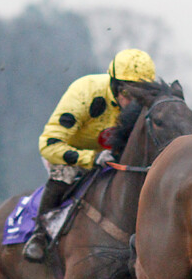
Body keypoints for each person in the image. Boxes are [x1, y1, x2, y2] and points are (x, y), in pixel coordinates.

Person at [23, 48, 157, 262]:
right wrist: (91, 159)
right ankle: (40, 235)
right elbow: (49, 145)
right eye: (128, 94)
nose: (133, 103)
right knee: (64, 174)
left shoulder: (146, 106)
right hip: (70, 154)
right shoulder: (85, 92)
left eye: (140, 95)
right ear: (114, 84)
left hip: (114, 157)